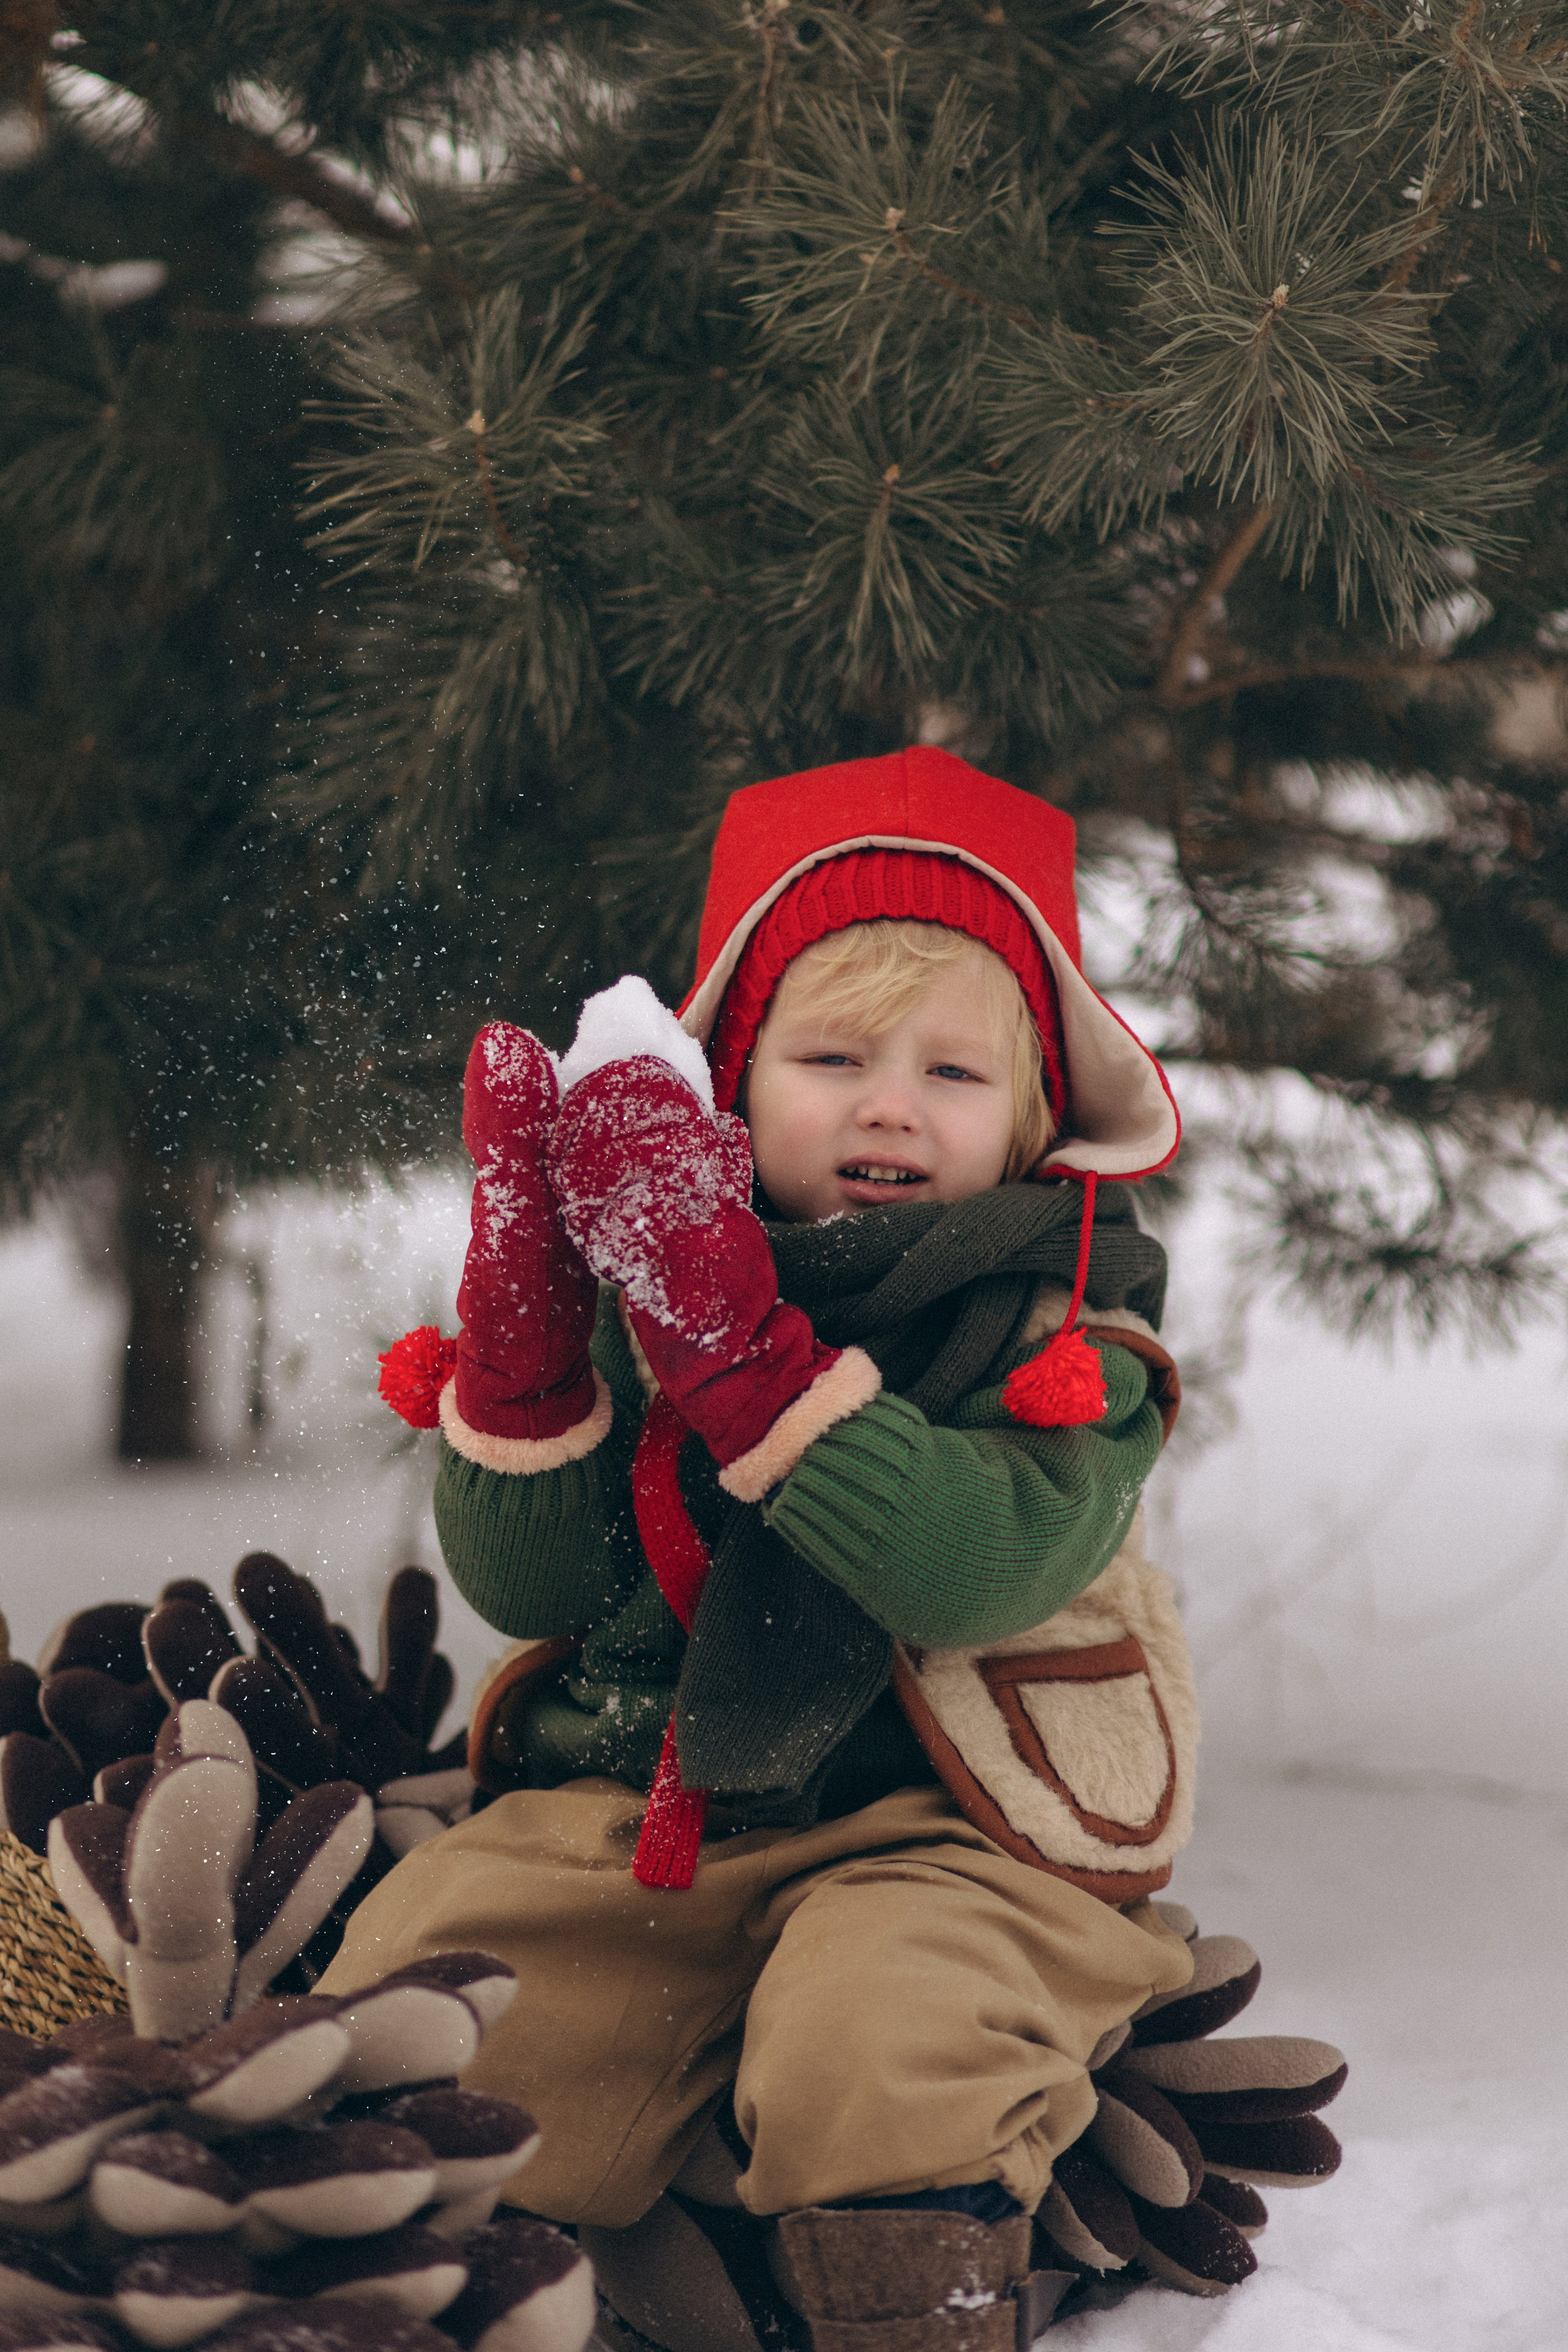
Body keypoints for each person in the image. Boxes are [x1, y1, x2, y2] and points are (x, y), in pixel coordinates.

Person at [331, 746, 1203, 2350]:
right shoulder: (650, 1277)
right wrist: (530, 1347)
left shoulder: (1066, 1326)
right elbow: (536, 1591)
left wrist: (748, 1368)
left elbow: (972, 1569)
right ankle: (457, 2290)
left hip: (952, 1830)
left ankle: (911, 2301)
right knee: (429, 2002)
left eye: (954, 1072)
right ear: (729, 1082)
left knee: (882, 2036)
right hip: (649, 1808)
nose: (890, 1102)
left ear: (1033, 1119)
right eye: (834, 1056)